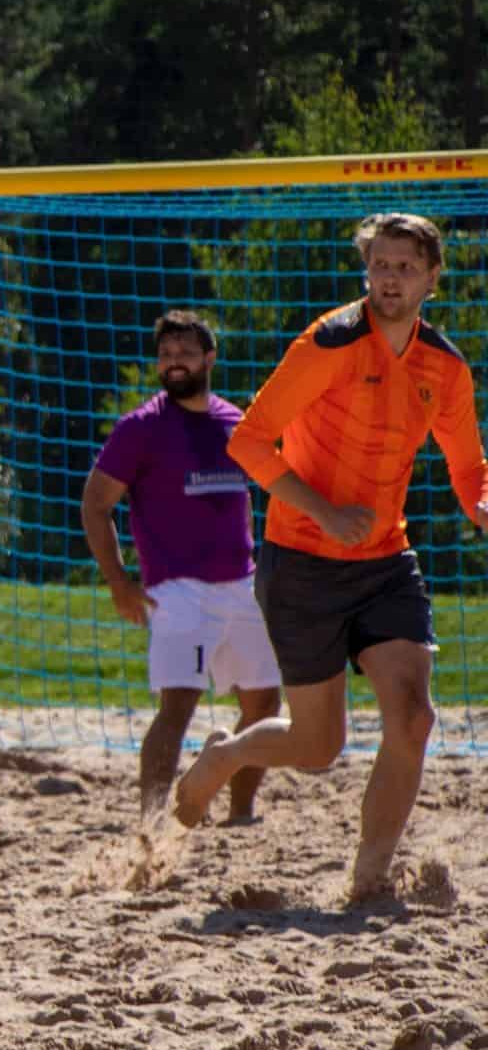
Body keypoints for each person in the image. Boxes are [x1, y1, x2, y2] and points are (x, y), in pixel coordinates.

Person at [173, 215, 488, 898]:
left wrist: (481, 505)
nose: (391, 278)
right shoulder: (328, 342)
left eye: (406, 267)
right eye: (381, 264)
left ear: (432, 278)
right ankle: (227, 755)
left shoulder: (445, 367)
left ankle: (370, 880)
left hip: (385, 559)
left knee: (414, 717)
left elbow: (469, 469)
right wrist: (323, 511)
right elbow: (248, 441)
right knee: (319, 747)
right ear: (366, 269)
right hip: (302, 560)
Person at [79, 311, 282, 821]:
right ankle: (151, 826)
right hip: (179, 591)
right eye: (166, 355)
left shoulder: (236, 423)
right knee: (178, 709)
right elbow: (95, 505)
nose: (174, 363)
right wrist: (118, 582)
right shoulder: (141, 428)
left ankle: (238, 810)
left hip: (242, 585)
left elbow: (252, 498)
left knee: (265, 705)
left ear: (209, 358)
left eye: (185, 354)